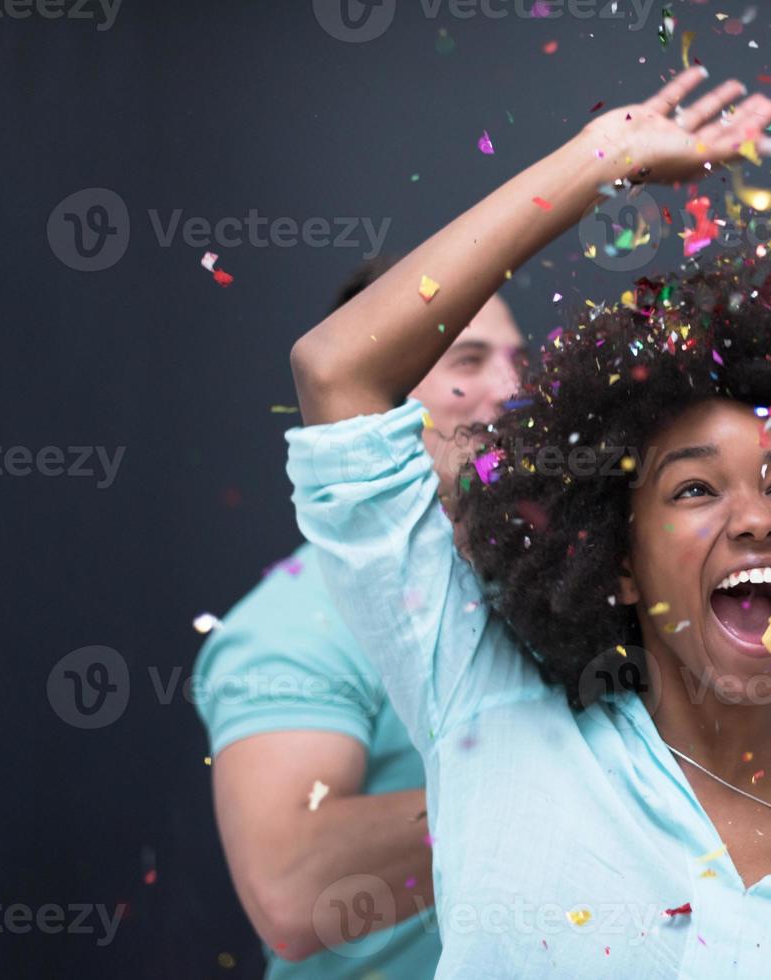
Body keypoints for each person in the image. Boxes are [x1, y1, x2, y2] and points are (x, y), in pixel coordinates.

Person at [285, 69, 771, 977]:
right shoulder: (487, 708)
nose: (755, 516)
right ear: (617, 563)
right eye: (694, 491)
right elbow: (336, 372)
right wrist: (601, 161)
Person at [195, 261, 524, 976]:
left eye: (517, 362)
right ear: (376, 390)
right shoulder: (291, 621)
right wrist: (545, 773)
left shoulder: (544, 584)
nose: (510, 390)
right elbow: (292, 892)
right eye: (467, 362)